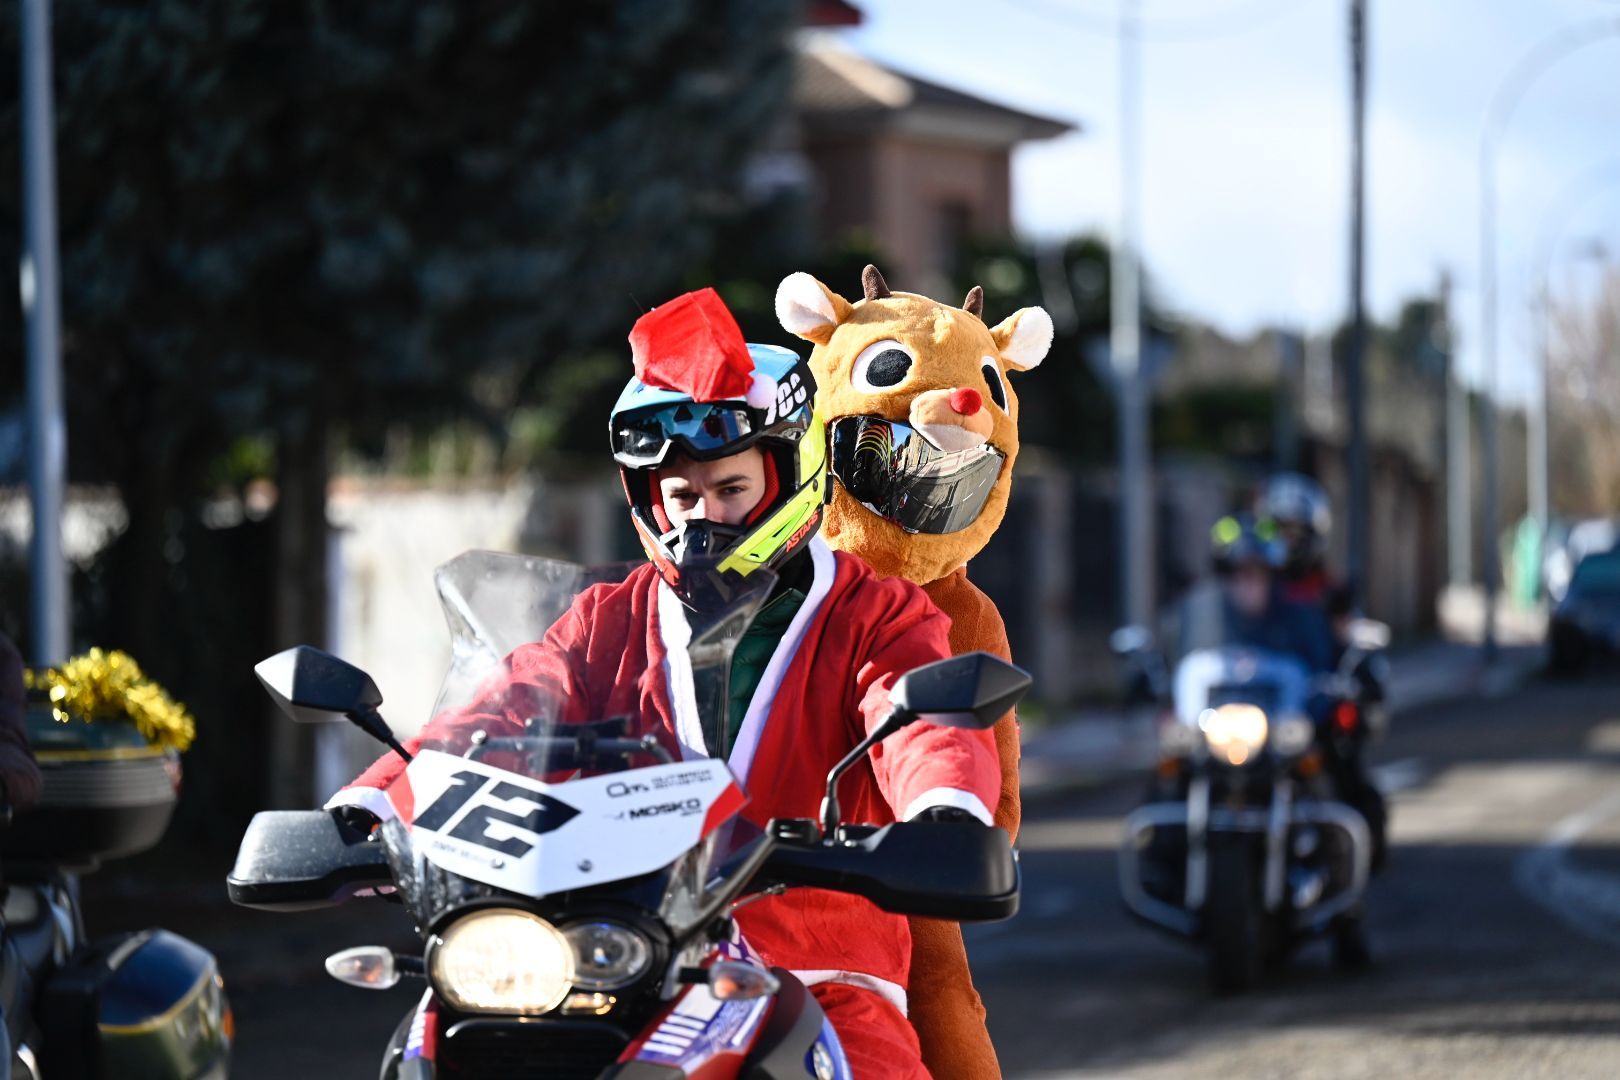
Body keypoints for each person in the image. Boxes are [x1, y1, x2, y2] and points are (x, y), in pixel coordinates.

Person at [336, 288, 1000, 1079]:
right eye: (681, 497)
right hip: (616, 967)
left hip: (817, 976)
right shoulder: (603, 621)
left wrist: (945, 810)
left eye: (730, 490)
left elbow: (921, 715)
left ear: (792, 474)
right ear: (648, 496)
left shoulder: (874, 614)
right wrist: (370, 808)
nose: (702, 520)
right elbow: (497, 711)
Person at [1256, 473, 1334, 608]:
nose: (1287, 540)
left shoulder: (1329, 595)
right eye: (1280, 529)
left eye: (1296, 532)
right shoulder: (1252, 588)